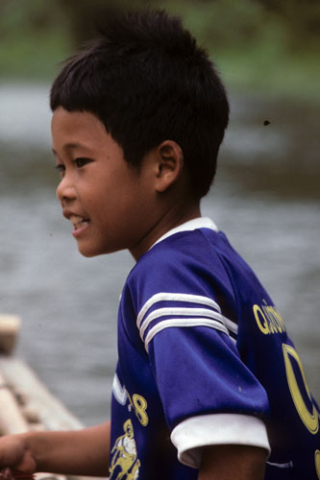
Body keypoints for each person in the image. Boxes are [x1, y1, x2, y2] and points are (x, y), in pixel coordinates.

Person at [0, 8, 319, 480]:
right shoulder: (213, 262)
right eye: (59, 167)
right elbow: (151, 431)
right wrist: (35, 451)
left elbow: (236, 454)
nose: (64, 188)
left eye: (81, 162)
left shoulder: (167, 278)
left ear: (164, 166)